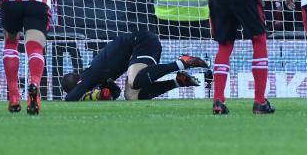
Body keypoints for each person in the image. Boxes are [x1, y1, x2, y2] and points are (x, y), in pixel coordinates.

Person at [61, 30, 206, 101]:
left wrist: (86, 97)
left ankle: (182, 62)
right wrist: (102, 95)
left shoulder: (89, 75)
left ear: (79, 83)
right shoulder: (96, 78)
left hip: (141, 41)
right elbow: (116, 93)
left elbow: (69, 99)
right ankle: (178, 81)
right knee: (131, 96)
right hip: (135, 54)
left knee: (134, 80)